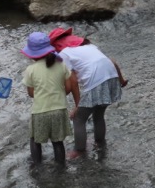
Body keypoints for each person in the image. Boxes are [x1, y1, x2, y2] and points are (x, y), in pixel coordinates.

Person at [48, 29, 127, 156]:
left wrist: (77, 106)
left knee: (79, 119)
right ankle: (100, 143)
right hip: (112, 77)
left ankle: (79, 150)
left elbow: (73, 82)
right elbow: (111, 61)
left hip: (97, 81)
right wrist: (121, 80)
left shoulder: (65, 53)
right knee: (98, 114)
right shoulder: (90, 47)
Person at [21, 32, 73, 164]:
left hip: (40, 111)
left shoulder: (30, 70)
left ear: (32, 54)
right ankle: (61, 168)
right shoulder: (61, 65)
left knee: (35, 139)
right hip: (59, 110)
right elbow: (68, 88)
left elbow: (31, 93)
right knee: (58, 142)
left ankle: (37, 167)